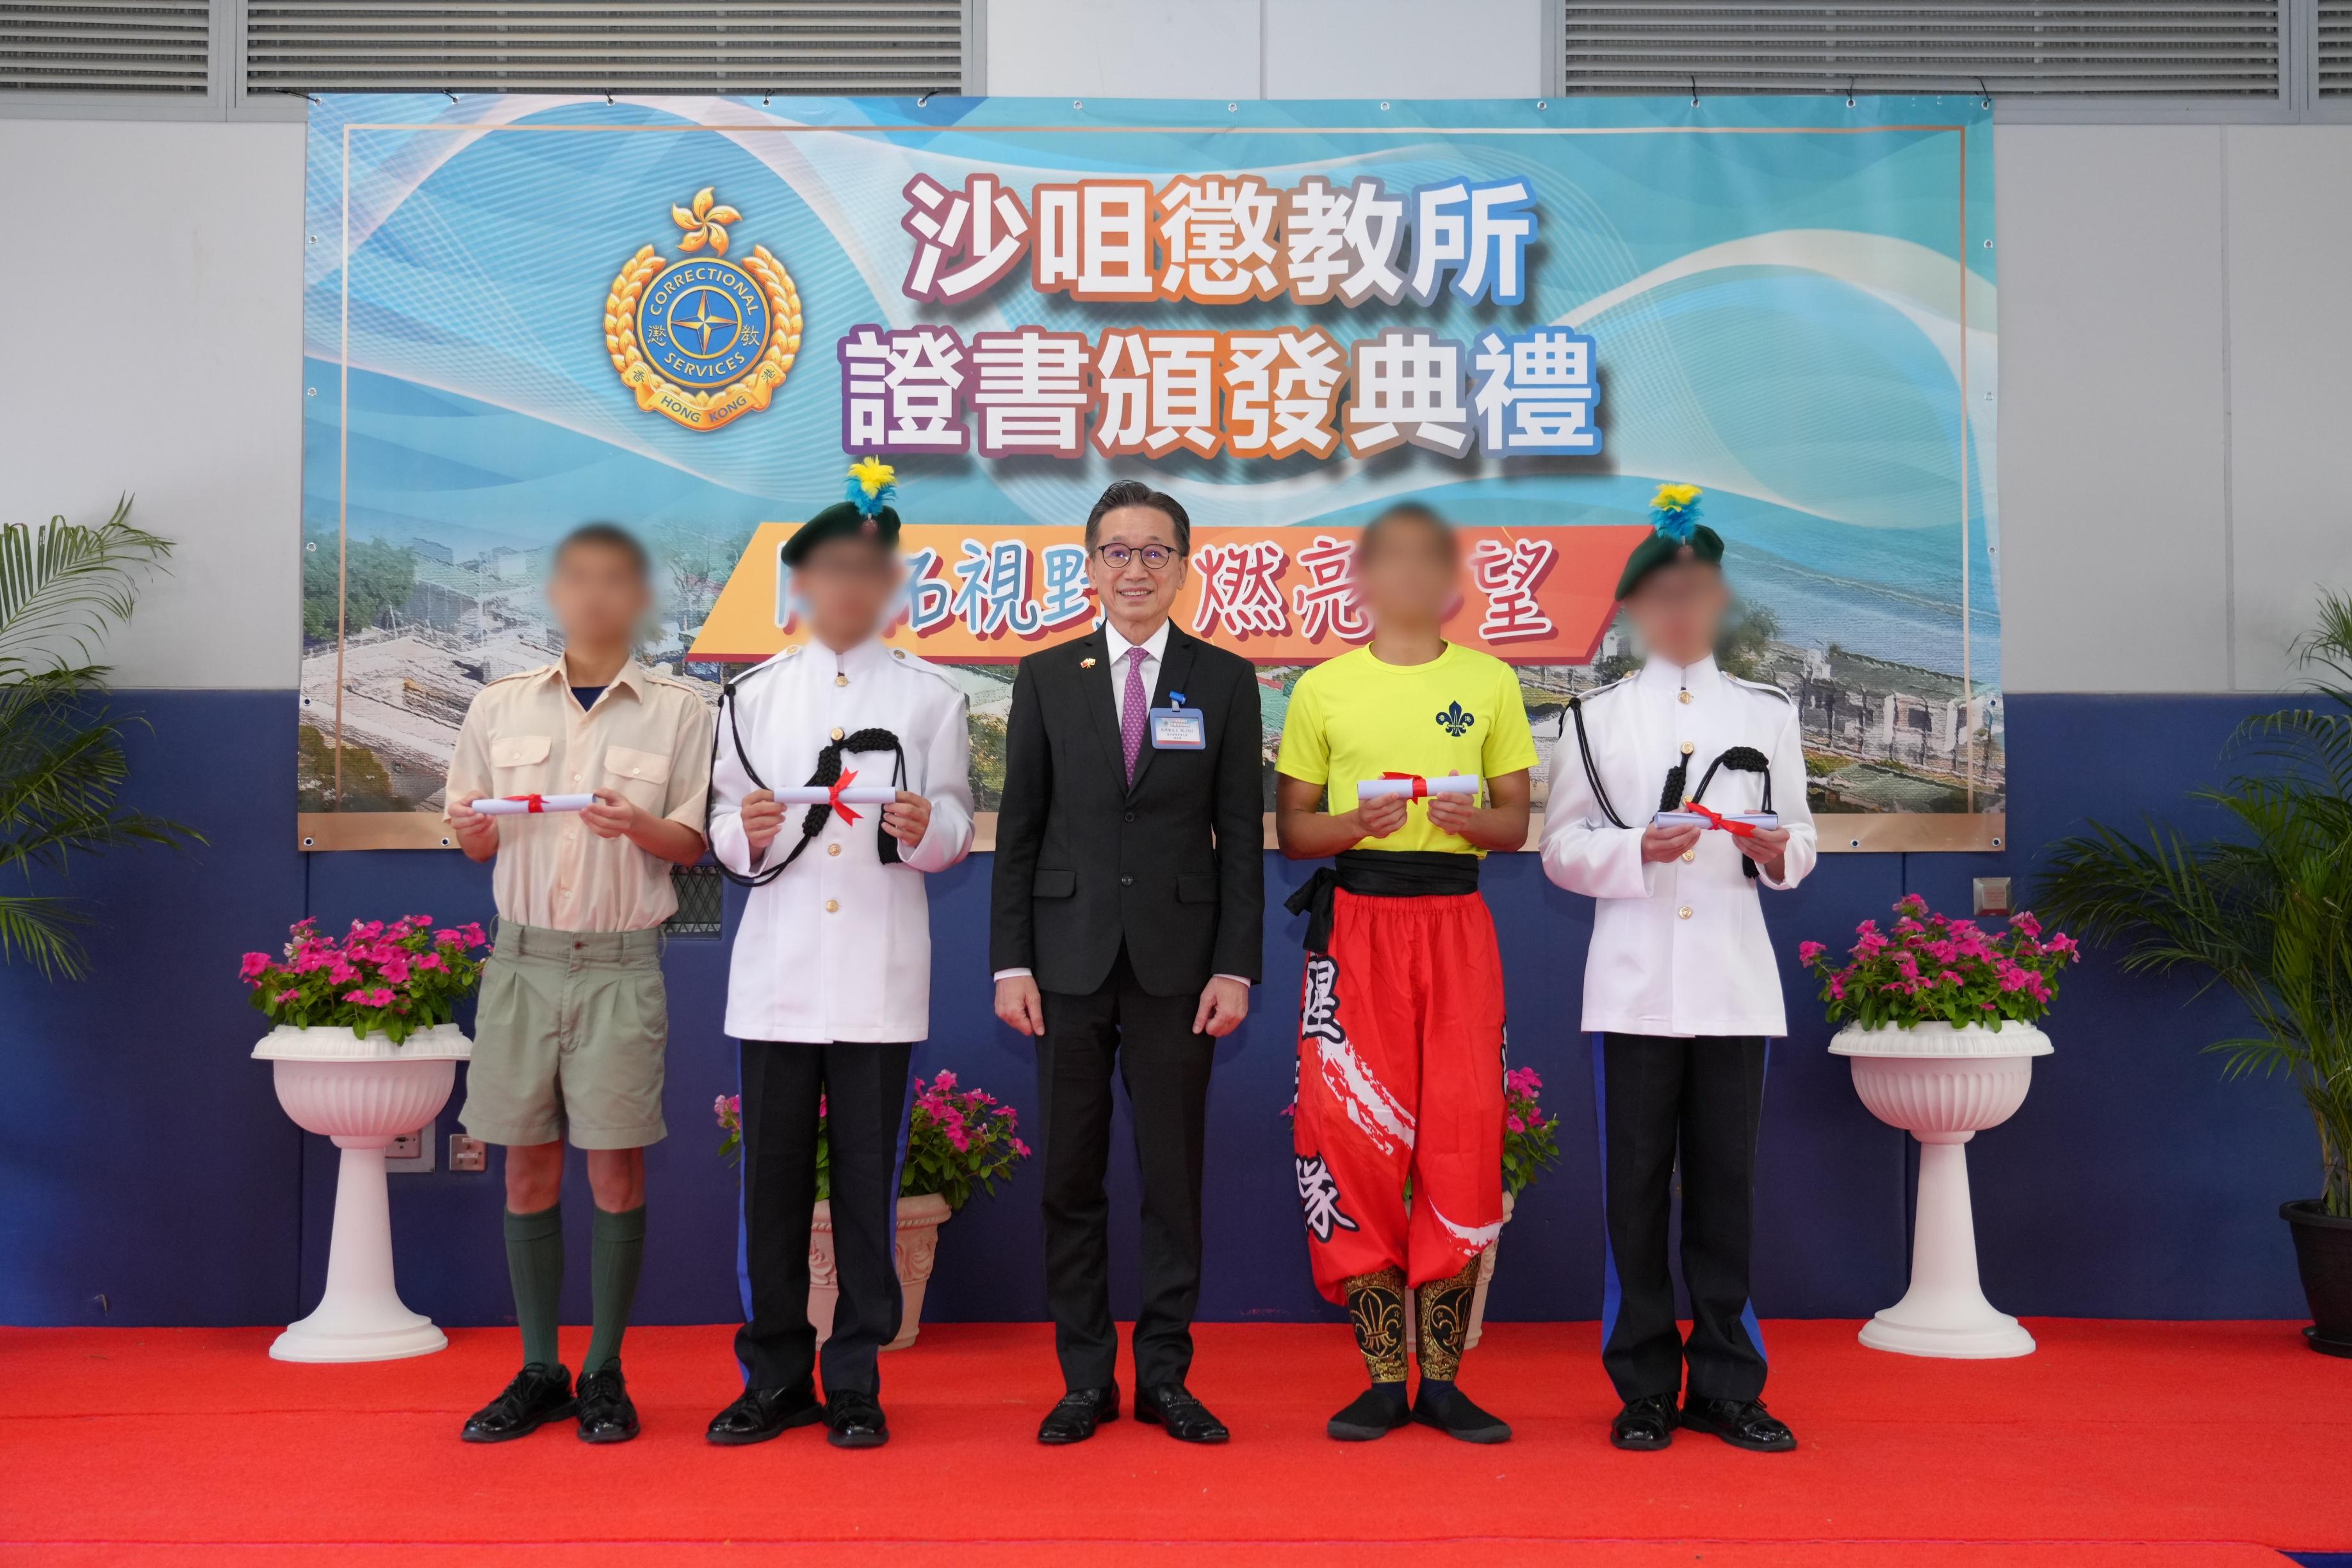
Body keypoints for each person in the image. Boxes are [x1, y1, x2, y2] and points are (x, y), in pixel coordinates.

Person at [1539, 483, 1817, 1455]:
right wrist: (1631, 854)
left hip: (1736, 986)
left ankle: (1730, 1384)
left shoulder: (1770, 712)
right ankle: (1646, 1385)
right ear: (1634, 608)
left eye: (1700, 591)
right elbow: (1561, 847)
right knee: (1636, 1194)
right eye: (1664, 593)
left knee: (1728, 1194)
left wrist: (1777, 848)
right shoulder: (1595, 719)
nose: (1683, 610)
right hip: (1632, 987)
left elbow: (1802, 839)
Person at [702, 461, 974, 1451]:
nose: (852, 587)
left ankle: (855, 1377)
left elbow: (954, 823)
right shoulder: (749, 697)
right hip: (775, 979)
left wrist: (921, 823)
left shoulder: (933, 699)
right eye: (833, 570)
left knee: (868, 1183)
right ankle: (773, 1375)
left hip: (877, 975)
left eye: (872, 570)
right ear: (802, 582)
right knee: (770, 1186)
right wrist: (758, 830)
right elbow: (723, 833)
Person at [990, 479, 1264, 1446]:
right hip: (1063, 964)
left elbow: (1240, 835)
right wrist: (1008, 964)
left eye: (1156, 552)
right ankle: (1084, 1380)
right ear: (1091, 565)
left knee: (1170, 1179)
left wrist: (1236, 967)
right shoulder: (1045, 676)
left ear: (1184, 567)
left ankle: (1166, 1378)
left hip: (1181, 973)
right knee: (1070, 1177)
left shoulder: (1226, 679)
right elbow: (1018, 833)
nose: (1136, 569)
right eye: (1117, 551)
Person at [442, 523, 714, 1444]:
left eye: (616, 581)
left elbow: (695, 844)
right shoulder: (499, 706)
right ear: (553, 595)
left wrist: (639, 824)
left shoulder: (682, 710)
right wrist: (471, 834)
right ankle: (537, 1368)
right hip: (520, 961)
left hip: (619, 967)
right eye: (578, 580)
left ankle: (604, 1369)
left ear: (642, 599)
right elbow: (466, 824)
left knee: (617, 1163)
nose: (596, 596)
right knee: (525, 1165)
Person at [1273, 500, 1535, 1446]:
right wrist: (1354, 827)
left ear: (1452, 582)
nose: (1413, 579)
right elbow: (1293, 831)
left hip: (1458, 923)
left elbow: (1517, 823)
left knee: (1464, 1132)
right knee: (1349, 1136)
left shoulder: (1493, 681)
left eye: (1432, 562)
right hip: (1359, 929)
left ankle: (1445, 1379)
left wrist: (1475, 825)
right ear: (1365, 579)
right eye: (1394, 561)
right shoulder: (1324, 690)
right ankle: (1383, 1375)